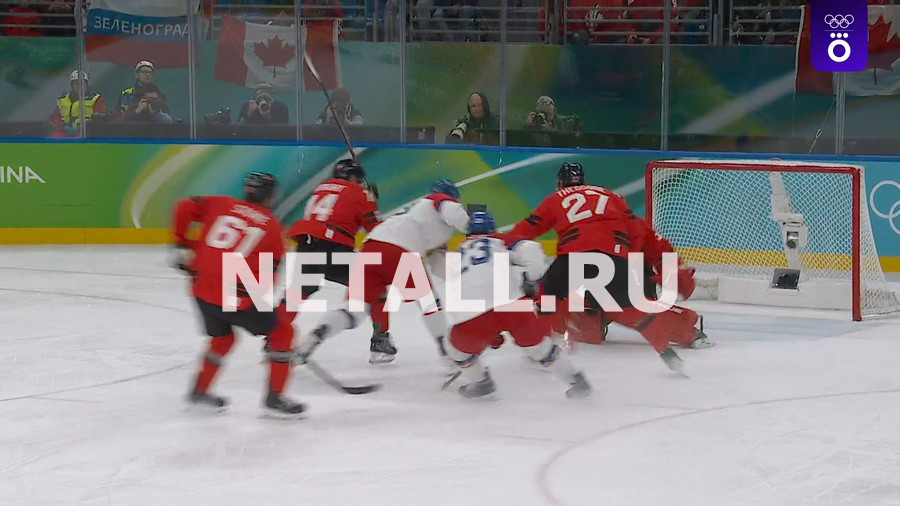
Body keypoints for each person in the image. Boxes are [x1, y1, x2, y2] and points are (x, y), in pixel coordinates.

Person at [508, 162, 702, 374]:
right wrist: (677, 276)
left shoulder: (557, 199)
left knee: (547, 298)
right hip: (615, 268)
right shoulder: (613, 200)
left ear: (560, 182)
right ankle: (672, 342)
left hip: (592, 266)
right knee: (628, 313)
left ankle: (545, 349)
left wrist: (503, 243)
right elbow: (654, 242)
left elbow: (526, 229)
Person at [293, 179, 469, 366]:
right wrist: (477, 229)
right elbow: (453, 212)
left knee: (355, 309)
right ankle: (449, 355)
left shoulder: (417, 212)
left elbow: (438, 263)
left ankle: (317, 334)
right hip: (400, 250)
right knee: (430, 304)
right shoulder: (438, 200)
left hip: (370, 248)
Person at [171, 172, 305, 418]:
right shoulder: (272, 227)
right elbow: (268, 274)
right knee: (283, 332)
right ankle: (275, 399)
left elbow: (183, 206)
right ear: (271, 196)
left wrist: (181, 243)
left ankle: (200, 392)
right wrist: (267, 320)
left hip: (201, 287)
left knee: (223, 338)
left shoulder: (221, 203)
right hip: (234, 294)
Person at [443, 211, 592, 398]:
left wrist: (488, 335)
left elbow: (455, 294)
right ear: (492, 230)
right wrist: (532, 279)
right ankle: (576, 382)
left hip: (472, 312)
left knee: (456, 351)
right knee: (540, 348)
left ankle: (480, 381)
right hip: (513, 303)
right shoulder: (500, 240)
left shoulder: (457, 255)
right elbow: (532, 249)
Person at [286, 158, 381, 351]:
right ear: (352, 177)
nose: (360, 182)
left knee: (300, 290)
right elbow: (376, 230)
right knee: (374, 284)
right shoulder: (360, 193)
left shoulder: (320, 188)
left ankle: (275, 334)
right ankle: (379, 340)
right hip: (334, 247)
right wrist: (372, 203)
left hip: (306, 244)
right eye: (358, 179)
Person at [48, 70, 106, 137]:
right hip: (64, 130)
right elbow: (55, 116)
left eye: (82, 83)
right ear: (72, 86)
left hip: (86, 131)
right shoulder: (62, 99)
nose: (79, 86)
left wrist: (85, 126)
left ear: (86, 85)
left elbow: (99, 117)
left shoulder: (95, 99)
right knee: (55, 137)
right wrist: (61, 127)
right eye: (76, 84)